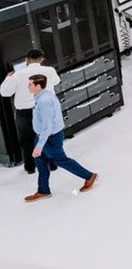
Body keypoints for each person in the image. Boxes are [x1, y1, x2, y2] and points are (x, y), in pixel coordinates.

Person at [22, 74, 98, 203]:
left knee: (61, 160)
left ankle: (89, 176)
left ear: (38, 86)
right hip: (42, 136)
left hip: (49, 138)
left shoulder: (44, 101)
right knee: (40, 162)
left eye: (30, 84)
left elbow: (47, 126)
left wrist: (39, 146)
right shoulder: (43, 95)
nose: (28, 86)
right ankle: (43, 190)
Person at [1, 50, 60, 174]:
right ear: (41, 59)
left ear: (26, 60)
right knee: (48, 136)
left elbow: (4, 92)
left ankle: (30, 167)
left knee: (27, 140)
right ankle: (52, 164)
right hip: (45, 109)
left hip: (25, 112)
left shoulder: (17, 75)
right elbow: (56, 81)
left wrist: (8, 77)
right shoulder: (49, 70)